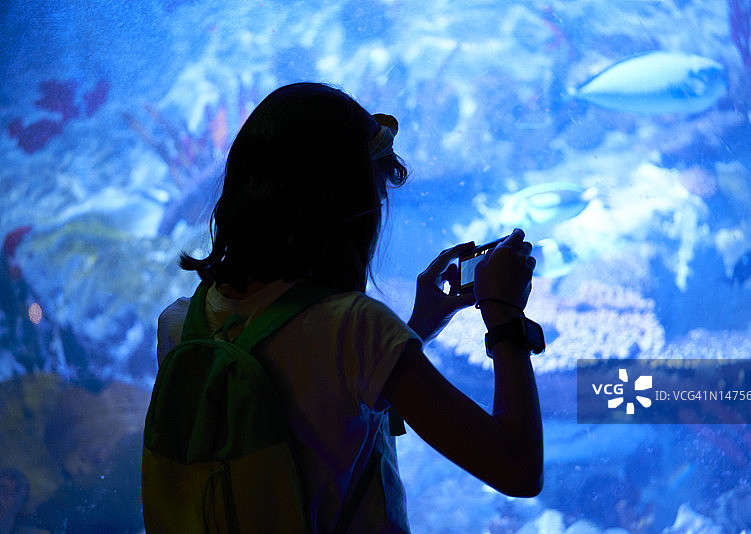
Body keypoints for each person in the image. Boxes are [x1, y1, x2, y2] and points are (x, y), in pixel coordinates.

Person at [156, 82, 543, 533]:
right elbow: (518, 469)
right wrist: (503, 316)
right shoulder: (355, 328)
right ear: (346, 212)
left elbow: (321, 413)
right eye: (374, 199)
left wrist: (419, 326)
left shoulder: (181, 324)